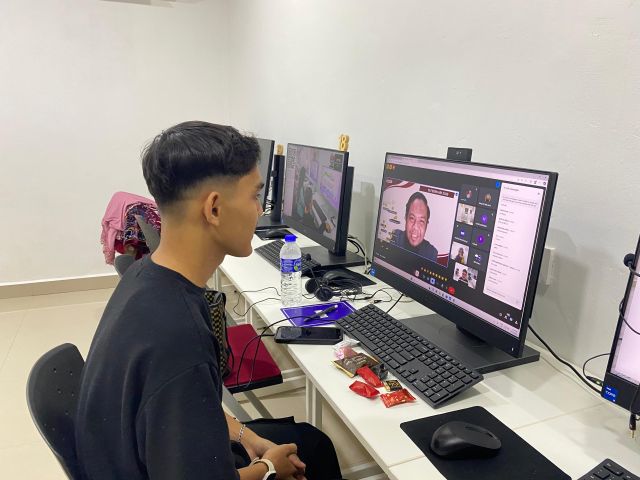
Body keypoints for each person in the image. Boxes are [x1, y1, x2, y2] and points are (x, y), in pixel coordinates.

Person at [75, 122, 343, 480]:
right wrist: (267, 470)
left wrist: (247, 436)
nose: (260, 210)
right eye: (254, 196)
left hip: (141, 452)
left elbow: (187, 408)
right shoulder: (179, 336)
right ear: (214, 209)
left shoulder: (145, 275)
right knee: (311, 452)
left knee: (311, 441)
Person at [393, 191, 438, 262]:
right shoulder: (395, 237)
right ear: (406, 218)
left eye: (421, 221)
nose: (415, 227)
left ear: (426, 225)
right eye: (412, 218)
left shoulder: (431, 253)